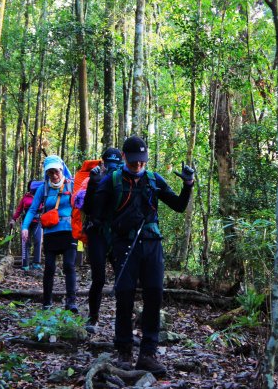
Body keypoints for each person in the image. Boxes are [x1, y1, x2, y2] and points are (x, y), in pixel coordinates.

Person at [92, 136, 194, 375]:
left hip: (152, 244)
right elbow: (96, 215)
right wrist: (94, 186)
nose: (138, 165)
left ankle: (148, 354)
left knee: (154, 296)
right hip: (124, 245)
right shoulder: (112, 181)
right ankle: (124, 352)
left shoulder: (153, 179)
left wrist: (188, 184)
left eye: (142, 161)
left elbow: (178, 206)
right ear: (125, 157)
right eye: (134, 161)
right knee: (124, 295)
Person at [21, 155, 79, 312]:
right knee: (49, 267)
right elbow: (33, 209)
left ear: (61, 170)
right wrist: (25, 227)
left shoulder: (71, 185)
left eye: (56, 172)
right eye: (50, 172)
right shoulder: (43, 188)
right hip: (51, 232)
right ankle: (47, 302)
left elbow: (83, 201)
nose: (54, 175)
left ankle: (71, 302)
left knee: (69, 265)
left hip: (69, 231)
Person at [82, 147, 122, 333]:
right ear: (103, 162)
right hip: (97, 232)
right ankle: (93, 318)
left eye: (115, 162)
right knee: (98, 278)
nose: (111, 166)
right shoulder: (96, 178)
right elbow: (88, 208)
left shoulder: (124, 178)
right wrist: (92, 183)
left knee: (122, 279)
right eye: (109, 162)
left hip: (117, 234)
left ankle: (123, 322)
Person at [10, 180, 43, 271]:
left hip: (38, 222)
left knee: (38, 241)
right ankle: (25, 265)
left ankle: (36, 263)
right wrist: (13, 219)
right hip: (26, 222)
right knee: (26, 242)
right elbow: (19, 209)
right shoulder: (25, 197)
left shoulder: (42, 196)